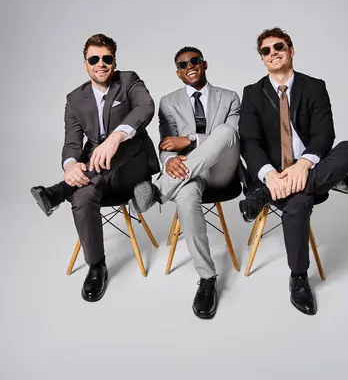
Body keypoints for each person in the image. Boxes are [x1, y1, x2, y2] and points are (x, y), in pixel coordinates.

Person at [238, 27, 348, 315]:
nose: (273, 53)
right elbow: (249, 142)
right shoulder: (252, 94)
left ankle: (266, 196)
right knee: (297, 204)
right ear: (262, 59)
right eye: (266, 51)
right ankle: (299, 276)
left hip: (305, 167)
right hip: (275, 174)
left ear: (291, 50)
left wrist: (304, 164)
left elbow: (324, 135)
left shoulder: (314, 87)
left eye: (278, 46)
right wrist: (271, 175)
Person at [30, 33, 159, 302]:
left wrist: (115, 138)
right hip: (96, 171)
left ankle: (58, 192)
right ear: (85, 63)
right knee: (83, 195)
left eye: (107, 58)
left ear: (114, 61)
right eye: (94, 59)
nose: (101, 63)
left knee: (130, 139)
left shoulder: (129, 81)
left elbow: (146, 107)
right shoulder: (75, 99)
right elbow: (72, 143)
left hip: (131, 169)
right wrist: (69, 167)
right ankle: (97, 266)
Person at [153, 47, 241, 319]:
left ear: (205, 64)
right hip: (187, 175)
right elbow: (166, 145)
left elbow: (234, 136)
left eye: (194, 61)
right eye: (182, 64)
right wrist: (169, 161)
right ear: (178, 72)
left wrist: (191, 141)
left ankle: (159, 189)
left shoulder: (230, 97)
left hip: (222, 171)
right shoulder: (168, 102)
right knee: (187, 197)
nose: (189, 66)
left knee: (225, 130)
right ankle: (207, 278)